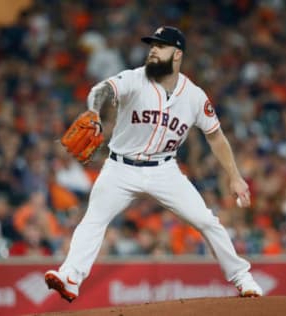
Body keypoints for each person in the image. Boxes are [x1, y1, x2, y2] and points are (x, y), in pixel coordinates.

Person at [44, 26, 263, 302]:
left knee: (207, 221)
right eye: (152, 45)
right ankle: (70, 277)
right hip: (119, 168)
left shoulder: (194, 96)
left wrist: (234, 176)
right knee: (94, 219)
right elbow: (101, 90)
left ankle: (243, 279)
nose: (153, 49)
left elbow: (216, 136)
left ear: (177, 54)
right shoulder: (135, 79)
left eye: (161, 45)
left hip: (164, 170)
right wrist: (93, 110)